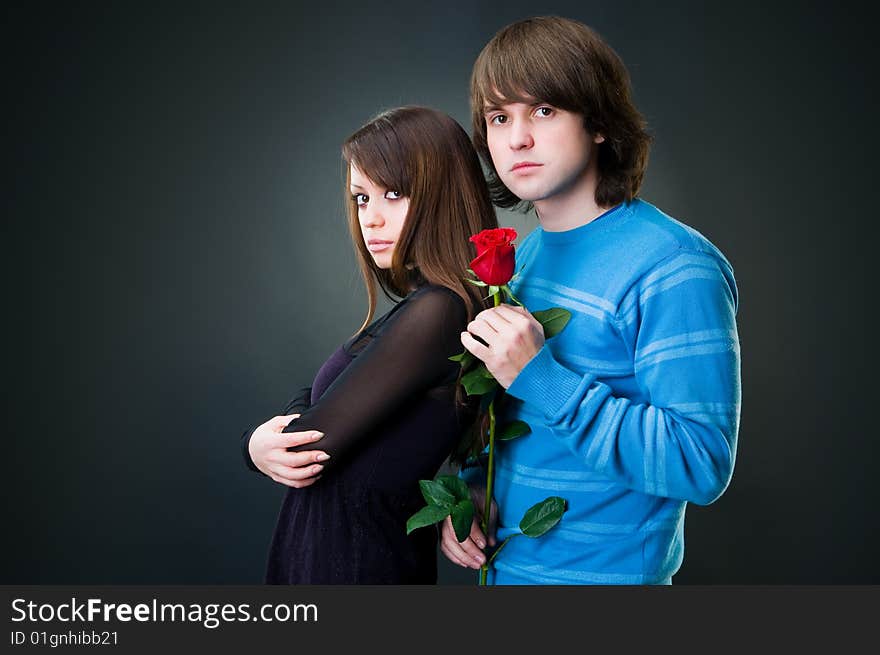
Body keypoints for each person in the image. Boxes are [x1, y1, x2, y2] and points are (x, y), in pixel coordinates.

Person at [439, 16, 742, 584]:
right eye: (499, 117)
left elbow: (700, 464)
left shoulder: (674, 266)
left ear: (599, 124)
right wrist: (472, 495)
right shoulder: (524, 257)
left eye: (543, 111)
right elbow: (519, 421)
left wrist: (541, 376)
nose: (517, 138)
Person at [240, 106, 498, 584]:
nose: (371, 219)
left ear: (442, 196)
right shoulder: (422, 308)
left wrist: (252, 445)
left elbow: (309, 445)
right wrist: (262, 441)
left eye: (394, 194)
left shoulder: (440, 311)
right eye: (362, 198)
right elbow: (322, 409)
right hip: (335, 557)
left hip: (357, 567)